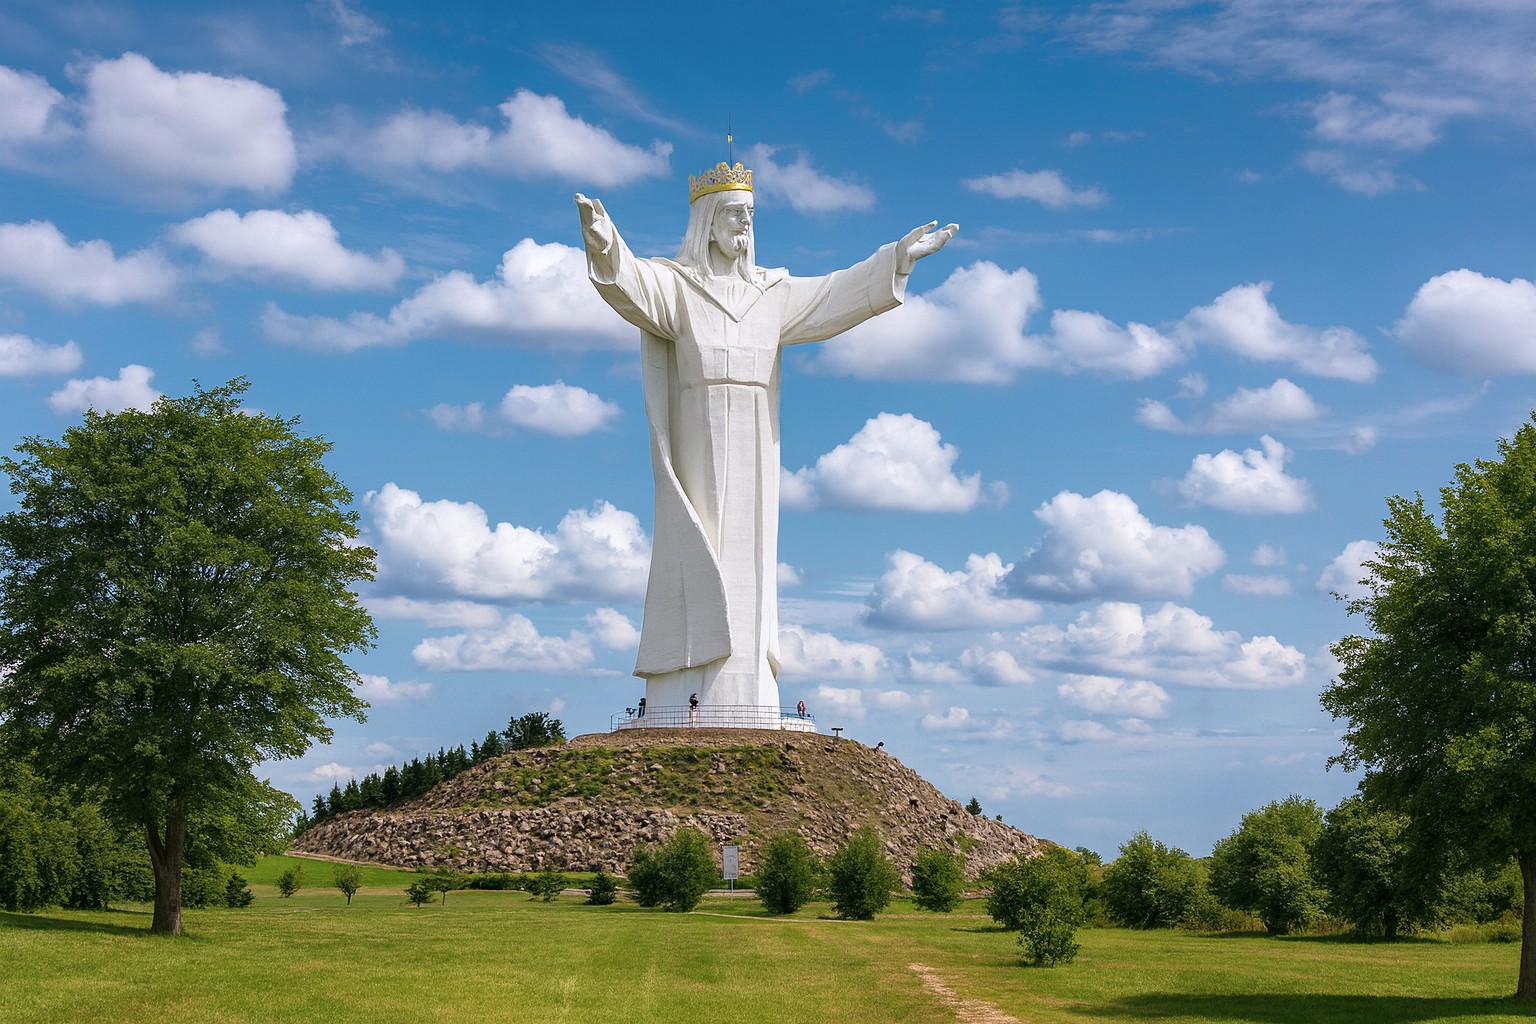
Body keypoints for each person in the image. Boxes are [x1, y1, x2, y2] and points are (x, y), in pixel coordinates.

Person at [576, 161, 956, 719]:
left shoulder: (772, 293)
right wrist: (605, 242)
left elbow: (833, 295)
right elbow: (632, 285)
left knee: (749, 564)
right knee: (696, 555)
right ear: (707, 222)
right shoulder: (679, 287)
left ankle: (745, 691)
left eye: (750, 215)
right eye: (733, 213)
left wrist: (894, 261)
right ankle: (685, 686)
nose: (744, 225)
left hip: (757, 442)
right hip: (697, 439)